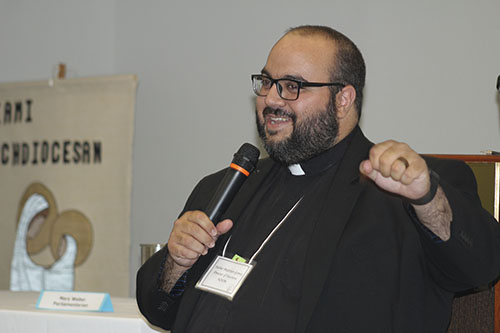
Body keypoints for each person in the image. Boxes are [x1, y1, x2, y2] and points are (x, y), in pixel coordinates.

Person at [136, 25, 500, 332]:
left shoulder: (406, 192)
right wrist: (176, 264)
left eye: (292, 86)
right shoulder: (225, 186)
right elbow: (158, 309)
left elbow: (479, 267)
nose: (271, 100)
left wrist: (428, 196)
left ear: (343, 99)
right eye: (267, 81)